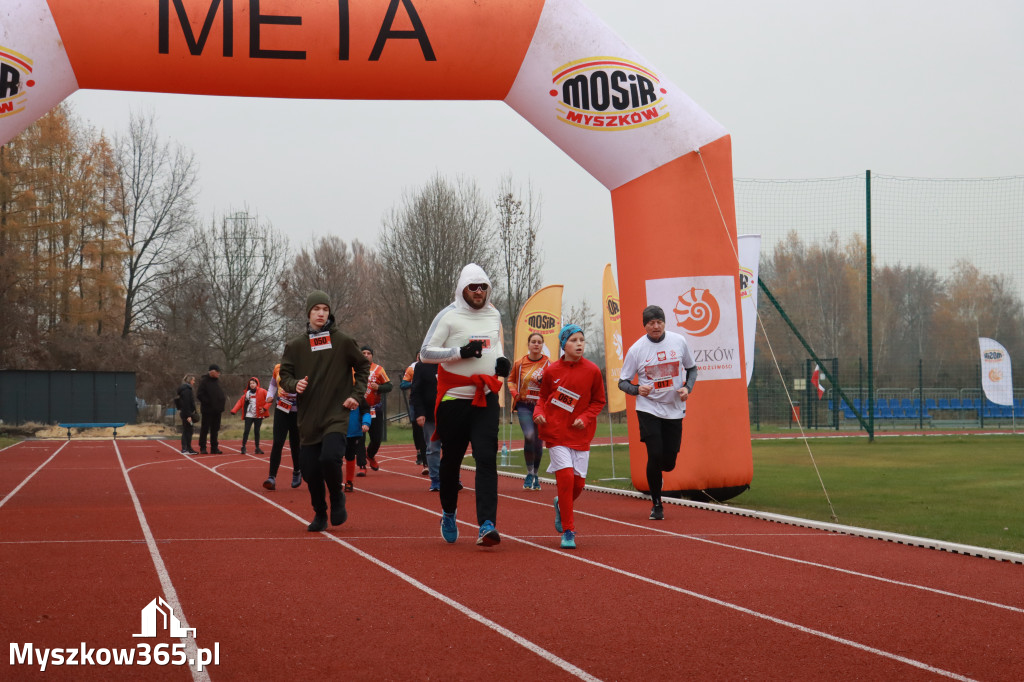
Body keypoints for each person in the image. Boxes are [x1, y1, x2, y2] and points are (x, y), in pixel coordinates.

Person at [420, 263, 509, 546]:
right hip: (453, 401)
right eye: (473, 287)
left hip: (485, 397)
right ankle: (449, 512)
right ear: (462, 289)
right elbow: (425, 353)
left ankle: (487, 524)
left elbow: (495, 345)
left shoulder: (494, 313)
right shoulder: (448, 315)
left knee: (486, 458)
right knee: (451, 462)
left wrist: (502, 361)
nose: (479, 291)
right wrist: (460, 352)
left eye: (483, 287)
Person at [279, 291, 371, 532]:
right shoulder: (296, 346)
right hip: (308, 417)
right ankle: (320, 512)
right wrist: (294, 384)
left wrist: (356, 395)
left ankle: (337, 497)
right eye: (316, 309)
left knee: (330, 458)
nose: (321, 313)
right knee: (309, 470)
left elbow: (363, 367)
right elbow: (284, 375)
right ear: (308, 312)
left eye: (325, 309)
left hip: (336, 413)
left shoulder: (343, 341)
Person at [618, 305, 697, 521]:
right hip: (648, 408)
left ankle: (656, 474)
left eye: (659, 322)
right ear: (645, 325)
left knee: (668, 463)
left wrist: (687, 388)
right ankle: (657, 504)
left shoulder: (678, 341)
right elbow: (622, 382)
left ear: (664, 323)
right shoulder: (636, 350)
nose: (656, 326)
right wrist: (637, 389)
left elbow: (692, 368)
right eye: (651, 323)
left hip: (674, 408)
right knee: (654, 454)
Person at [533, 324, 606, 549]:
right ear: (564, 345)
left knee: (578, 485)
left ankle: (560, 504)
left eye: (582, 340)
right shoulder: (551, 371)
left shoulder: (593, 370)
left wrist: (585, 417)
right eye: (574, 340)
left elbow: (599, 401)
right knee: (565, 479)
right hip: (556, 433)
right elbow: (542, 397)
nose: (579, 344)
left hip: (580, 435)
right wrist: (538, 413)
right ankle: (568, 531)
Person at [508, 332, 550, 491]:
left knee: (538, 442)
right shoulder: (519, 363)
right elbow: (511, 381)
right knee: (529, 435)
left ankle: (535, 474)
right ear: (529, 344)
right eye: (533, 341)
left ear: (542, 345)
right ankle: (529, 472)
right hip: (524, 405)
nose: (536, 344)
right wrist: (515, 394)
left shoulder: (549, 364)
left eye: (539, 342)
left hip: (541, 407)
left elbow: (554, 384)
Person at [263, 363, 302, 491]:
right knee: (278, 442)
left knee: (295, 443)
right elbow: (273, 384)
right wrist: (270, 395)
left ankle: (297, 471)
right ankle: (271, 477)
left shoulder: (302, 366)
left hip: (297, 410)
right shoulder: (278, 368)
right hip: (282, 408)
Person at [360, 346, 392, 475]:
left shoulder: (379, 369)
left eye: (368, 353)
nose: (366, 355)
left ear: (372, 356)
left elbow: (389, 386)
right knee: (359, 439)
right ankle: (362, 465)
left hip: (375, 409)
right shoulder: (353, 369)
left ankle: (370, 454)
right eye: (363, 353)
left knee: (377, 439)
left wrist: (379, 387)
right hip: (358, 409)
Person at [409, 359, 441, 491]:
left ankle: (454, 478)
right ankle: (436, 480)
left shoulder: (452, 362)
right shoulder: (422, 366)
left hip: (451, 413)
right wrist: (419, 413)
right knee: (432, 448)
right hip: (430, 414)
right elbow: (415, 391)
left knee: (453, 449)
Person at [401, 355, 428, 474]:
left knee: (428, 431)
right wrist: (415, 383)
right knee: (418, 429)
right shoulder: (412, 368)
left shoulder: (434, 365)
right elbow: (403, 385)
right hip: (415, 402)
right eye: (419, 356)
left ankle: (428, 460)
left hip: (430, 402)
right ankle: (420, 453)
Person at [230, 376, 269, 455]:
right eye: (250, 383)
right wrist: (234, 410)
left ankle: (257, 448)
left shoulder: (263, 391)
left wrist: (265, 408)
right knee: (246, 431)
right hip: (249, 415)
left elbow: (270, 399)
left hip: (258, 415)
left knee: (257, 431)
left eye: (253, 383)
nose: (252, 385)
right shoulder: (247, 393)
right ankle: (243, 447)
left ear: (257, 384)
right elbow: (240, 402)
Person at [343, 397, 372, 493]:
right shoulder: (334, 393)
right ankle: (334, 481)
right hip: (336, 431)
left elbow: (366, 411)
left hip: (353, 433)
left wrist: (366, 423)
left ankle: (349, 481)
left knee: (350, 456)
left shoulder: (358, 396)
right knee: (334, 457)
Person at [196, 364, 226, 454]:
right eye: (217, 372)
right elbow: (199, 395)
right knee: (205, 429)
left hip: (217, 410)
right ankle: (203, 447)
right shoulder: (204, 381)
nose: (219, 373)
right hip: (207, 410)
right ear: (212, 372)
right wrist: (208, 402)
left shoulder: (217, 382)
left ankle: (214, 447)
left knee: (215, 429)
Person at [176, 374, 199, 454]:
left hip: (185, 413)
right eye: (193, 380)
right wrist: (189, 416)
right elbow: (186, 404)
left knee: (187, 430)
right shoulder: (187, 390)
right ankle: (186, 448)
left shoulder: (185, 389)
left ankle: (186, 448)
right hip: (187, 414)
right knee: (188, 431)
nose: (194, 382)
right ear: (190, 380)